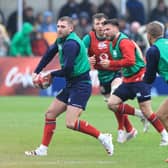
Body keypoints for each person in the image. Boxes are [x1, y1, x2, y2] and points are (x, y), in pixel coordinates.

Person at [25, 16, 113, 156]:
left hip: (81, 86)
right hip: (72, 84)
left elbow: (68, 70)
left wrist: (51, 75)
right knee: (50, 114)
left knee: (71, 123)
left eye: (63, 27)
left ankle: (103, 137)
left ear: (71, 28)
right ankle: (43, 149)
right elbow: (49, 54)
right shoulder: (61, 40)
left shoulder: (70, 44)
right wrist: (37, 72)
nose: (59, 29)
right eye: (58, 26)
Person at [101, 18, 168, 146]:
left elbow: (131, 62)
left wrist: (145, 79)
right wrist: (109, 65)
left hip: (139, 78)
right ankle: (140, 115)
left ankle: (164, 136)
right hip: (127, 80)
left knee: (151, 112)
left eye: (107, 29)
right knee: (112, 103)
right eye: (104, 30)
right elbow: (120, 64)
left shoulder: (127, 43)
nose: (105, 32)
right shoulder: (111, 45)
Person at [83, 13, 143, 143]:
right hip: (102, 76)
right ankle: (130, 129)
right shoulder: (89, 38)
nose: (100, 26)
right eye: (97, 24)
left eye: (103, 23)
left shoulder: (112, 37)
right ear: (93, 26)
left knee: (114, 100)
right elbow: (80, 53)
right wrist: (87, 59)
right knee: (114, 105)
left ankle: (122, 129)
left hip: (116, 72)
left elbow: (128, 50)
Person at [143, 22, 168, 162]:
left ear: (149, 35)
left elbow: (149, 78)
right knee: (161, 115)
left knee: (161, 115)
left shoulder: (153, 50)